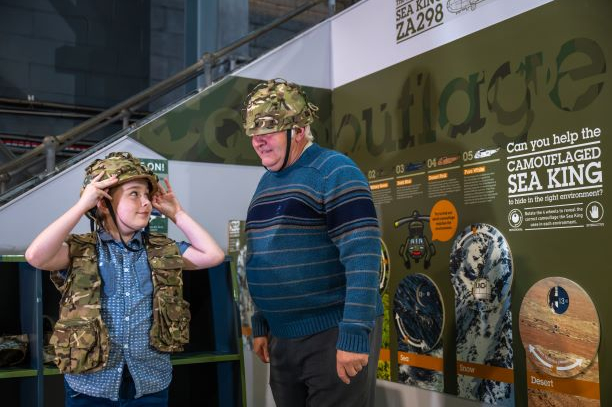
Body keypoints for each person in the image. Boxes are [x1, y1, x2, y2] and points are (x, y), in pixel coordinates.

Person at [25, 152, 225, 406]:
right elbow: (35, 256)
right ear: (103, 202)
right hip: (90, 387)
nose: (146, 203)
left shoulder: (161, 249)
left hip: (149, 384)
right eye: (134, 194)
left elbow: (213, 255)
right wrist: (81, 206)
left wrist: (178, 214)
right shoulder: (80, 249)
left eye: (146, 195)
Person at [243, 79, 383, 407]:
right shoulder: (267, 181)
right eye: (253, 133)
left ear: (300, 130)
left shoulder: (335, 171)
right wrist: (262, 323)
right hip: (283, 337)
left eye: (268, 130)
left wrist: (353, 335)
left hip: (332, 334)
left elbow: (364, 257)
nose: (258, 141)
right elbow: (261, 256)